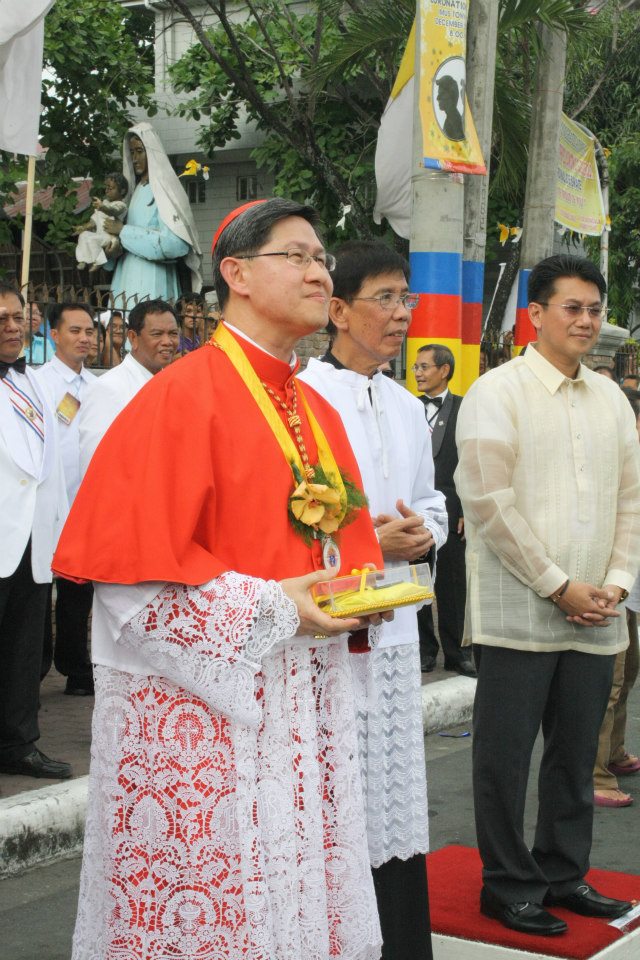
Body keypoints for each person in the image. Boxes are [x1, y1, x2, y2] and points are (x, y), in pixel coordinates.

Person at [52, 198, 385, 960]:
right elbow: (130, 585)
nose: (318, 270)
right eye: (296, 255)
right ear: (234, 272)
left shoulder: (314, 407)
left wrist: (355, 592)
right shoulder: (177, 396)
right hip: (211, 720)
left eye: (321, 256)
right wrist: (274, 607)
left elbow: (336, 547)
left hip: (303, 699)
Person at [456, 254, 640, 936]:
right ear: (535, 315)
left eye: (595, 309)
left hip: (597, 614)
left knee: (574, 758)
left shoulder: (612, 399)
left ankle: (564, 874)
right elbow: (488, 502)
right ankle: (506, 885)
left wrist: (615, 583)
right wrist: (558, 585)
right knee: (503, 758)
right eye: (573, 308)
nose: (587, 320)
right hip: (520, 616)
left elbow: (631, 501)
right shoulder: (497, 393)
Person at [300, 240, 448, 960]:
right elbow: (293, 519)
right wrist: (368, 544)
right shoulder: (303, 399)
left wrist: (425, 532)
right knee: (335, 813)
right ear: (337, 310)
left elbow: (430, 501)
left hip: (395, 635)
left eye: (406, 299)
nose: (401, 315)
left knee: (391, 808)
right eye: (385, 299)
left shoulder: (403, 403)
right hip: (329, 635)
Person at [0, 284, 70, 779]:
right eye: (1, 318)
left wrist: (63, 528)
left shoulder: (36, 382)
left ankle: (17, 743)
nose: (11, 326)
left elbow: (53, 465)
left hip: (31, 540)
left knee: (24, 651)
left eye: (17, 317)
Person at [35, 303, 97, 695]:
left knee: (79, 592)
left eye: (90, 331)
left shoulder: (97, 387)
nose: (84, 338)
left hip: (86, 506)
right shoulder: (38, 383)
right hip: (49, 501)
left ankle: (75, 666)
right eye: (75, 331)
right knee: (41, 592)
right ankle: (36, 669)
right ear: (54, 335)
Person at [414, 343, 475, 677]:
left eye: (424, 367)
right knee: (417, 582)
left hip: (451, 510)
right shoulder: (406, 407)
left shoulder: (464, 408)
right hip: (412, 511)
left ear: (444, 370)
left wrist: (466, 507)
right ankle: (425, 650)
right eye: (416, 368)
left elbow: (471, 461)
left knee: (452, 585)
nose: (419, 374)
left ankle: (458, 652)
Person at [593, 388, 640, 807]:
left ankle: (615, 751)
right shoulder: (610, 459)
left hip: (631, 588)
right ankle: (595, 777)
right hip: (609, 584)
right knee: (610, 681)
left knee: (628, 675)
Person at [105, 123, 202, 309]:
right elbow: (116, 246)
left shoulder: (168, 191)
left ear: (152, 151)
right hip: (124, 279)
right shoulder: (130, 194)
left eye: (139, 151)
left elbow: (177, 245)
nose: (135, 158)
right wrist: (109, 250)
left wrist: (124, 232)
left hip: (155, 279)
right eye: (132, 152)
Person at [79, 299, 179, 475]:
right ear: (133, 338)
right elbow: (95, 464)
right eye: (157, 334)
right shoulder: (108, 388)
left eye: (173, 333)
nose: (167, 341)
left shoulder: (172, 384)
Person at [75, 173, 129, 273]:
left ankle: (99, 262)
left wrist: (102, 207)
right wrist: (83, 227)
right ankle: (83, 260)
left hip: (110, 238)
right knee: (83, 235)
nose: (107, 190)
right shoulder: (104, 203)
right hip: (100, 235)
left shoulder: (121, 205)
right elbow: (94, 221)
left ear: (122, 191)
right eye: (107, 187)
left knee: (92, 240)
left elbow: (113, 211)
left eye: (111, 188)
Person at [435, 74, 465, 141]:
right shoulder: (450, 120)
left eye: (441, 94)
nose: (437, 98)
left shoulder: (455, 122)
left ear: (451, 95)